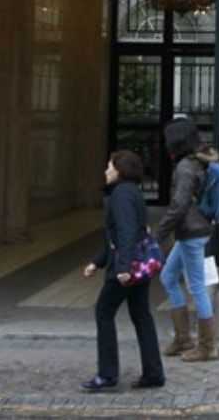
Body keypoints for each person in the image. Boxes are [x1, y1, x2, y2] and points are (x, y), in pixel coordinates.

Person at [81, 150, 164, 391]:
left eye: (110, 166)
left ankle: (107, 374)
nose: (106, 171)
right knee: (142, 316)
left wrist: (123, 267)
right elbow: (118, 235)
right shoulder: (131, 192)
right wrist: (97, 262)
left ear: (120, 170)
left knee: (103, 312)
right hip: (139, 264)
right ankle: (153, 373)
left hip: (126, 268)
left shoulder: (121, 194)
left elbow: (126, 232)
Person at [155, 116, 219, 362]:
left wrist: (158, 234)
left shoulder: (185, 167)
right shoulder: (197, 161)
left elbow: (179, 205)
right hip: (191, 231)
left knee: (197, 287)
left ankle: (207, 346)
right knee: (168, 276)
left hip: (192, 233)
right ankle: (183, 340)